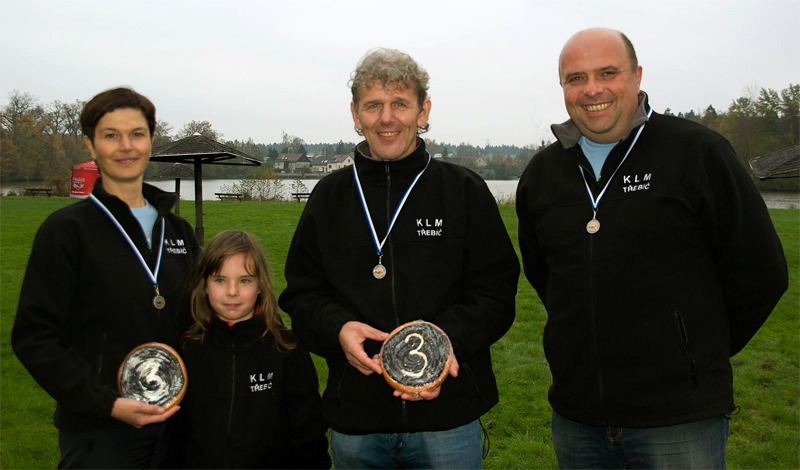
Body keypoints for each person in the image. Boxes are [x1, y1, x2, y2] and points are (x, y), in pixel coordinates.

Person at [516, 28, 788, 469]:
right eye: (575, 78)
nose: (592, 90)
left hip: (679, 421)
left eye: (608, 72)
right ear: (563, 86)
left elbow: (761, 271)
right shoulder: (543, 174)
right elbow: (545, 275)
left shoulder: (696, 152)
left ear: (637, 75)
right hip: (577, 417)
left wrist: (696, 348)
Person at [279, 47, 519, 469]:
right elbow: (301, 296)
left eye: (399, 104)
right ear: (355, 115)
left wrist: (443, 344)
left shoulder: (462, 190)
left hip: (447, 421)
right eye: (373, 105)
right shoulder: (328, 198)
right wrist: (337, 329)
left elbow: (496, 292)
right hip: (356, 421)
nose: (386, 118)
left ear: (423, 111)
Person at [11, 87, 201, 468]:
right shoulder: (66, 231)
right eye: (110, 135)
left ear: (151, 139)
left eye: (137, 134)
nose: (125, 146)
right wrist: (107, 404)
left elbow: (199, 321)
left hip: (179, 426)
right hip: (100, 432)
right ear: (90, 144)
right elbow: (35, 337)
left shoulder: (178, 231)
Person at [173, 230, 331, 469]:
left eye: (245, 280)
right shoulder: (186, 349)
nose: (232, 291)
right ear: (204, 285)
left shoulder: (287, 349)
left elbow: (308, 432)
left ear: (260, 286)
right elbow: (174, 433)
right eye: (220, 279)